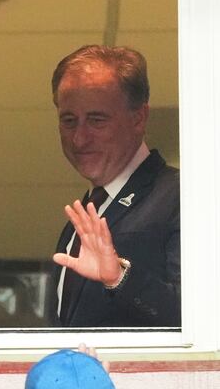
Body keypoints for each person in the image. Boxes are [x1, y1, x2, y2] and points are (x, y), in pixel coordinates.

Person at [48, 45, 180, 327]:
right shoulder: (85, 213)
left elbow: (201, 321)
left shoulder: (181, 196)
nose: (79, 139)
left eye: (97, 120)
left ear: (138, 118)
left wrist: (119, 278)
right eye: (69, 121)